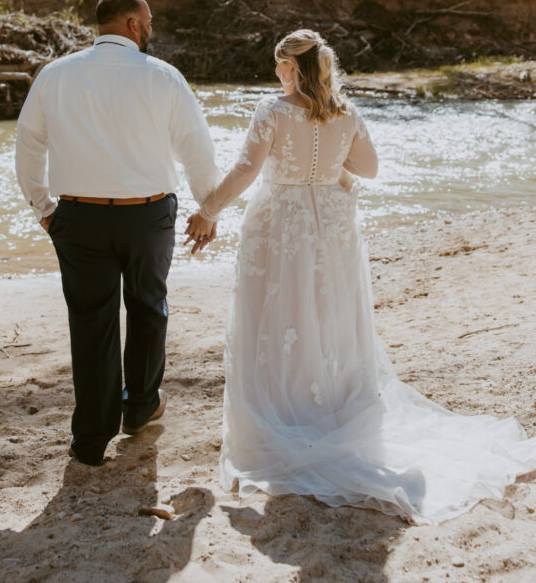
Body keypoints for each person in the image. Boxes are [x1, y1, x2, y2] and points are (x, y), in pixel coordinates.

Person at [185, 29, 536, 524]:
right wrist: (331, 164)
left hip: (280, 222)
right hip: (330, 226)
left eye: (279, 63)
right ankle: (329, 404)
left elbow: (246, 170)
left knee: (278, 311)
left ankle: (286, 409)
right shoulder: (346, 113)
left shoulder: (272, 110)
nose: (275, 71)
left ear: (293, 66)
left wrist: (207, 210)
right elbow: (368, 169)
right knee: (329, 314)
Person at [15, 0, 218, 466]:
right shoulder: (164, 77)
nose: (151, 27)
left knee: (90, 325)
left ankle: (90, 438)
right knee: (149, 309)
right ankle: (140, 407)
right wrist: (208, 208)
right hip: (147, 216)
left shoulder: (56, 74)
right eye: (148, 19)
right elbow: (196, 148)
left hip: (79, 217)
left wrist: (43, 207)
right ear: (131, 24)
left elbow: (28, 144)